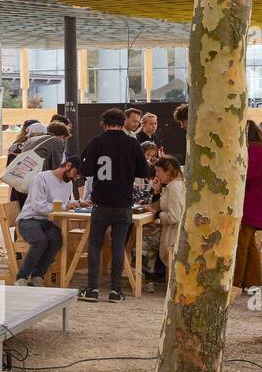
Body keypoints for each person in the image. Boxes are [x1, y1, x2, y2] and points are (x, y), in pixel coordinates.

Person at [77, 107, 151, 303]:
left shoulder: (96, 142)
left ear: (103, 123)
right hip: (124, 203)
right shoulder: (132, 143)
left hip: (101, 202)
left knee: (95, 245)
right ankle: (116, 291)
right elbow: (144, 171)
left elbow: (85, 169)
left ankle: (92, 289)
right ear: (123, 122)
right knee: (118, 246)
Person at [14, 157, 83, 286]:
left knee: (57, 240)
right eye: (76, 173)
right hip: (29, 219)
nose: (75, 178)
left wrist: (77, 203)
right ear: (68, 166)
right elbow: (38, 207)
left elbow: (64, 203)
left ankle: (37, 275)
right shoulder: (41, 178)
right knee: (40, 241)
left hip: (48, 221)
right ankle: (21, 277)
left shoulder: (68, 183)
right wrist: (64, 207)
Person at [233, 120, 262, 298]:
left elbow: (249, 174)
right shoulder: (257, 149)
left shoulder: (254, 149)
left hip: (250, 204)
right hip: (253, 204)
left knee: (242, 244)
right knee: (249, 246)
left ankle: (236, 282)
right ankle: (252, 281)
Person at [142, 155, 183, 290]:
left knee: (144, 242)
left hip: (173, 235)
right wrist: (157, 191)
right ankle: (147, 277)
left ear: (169, 171)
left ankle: (147, 278)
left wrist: (158, 214)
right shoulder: (171, 186)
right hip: (170, 231)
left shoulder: (175, 188)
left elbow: (174, 216)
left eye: (159, 171)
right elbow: (158, 205)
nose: (157, 174)